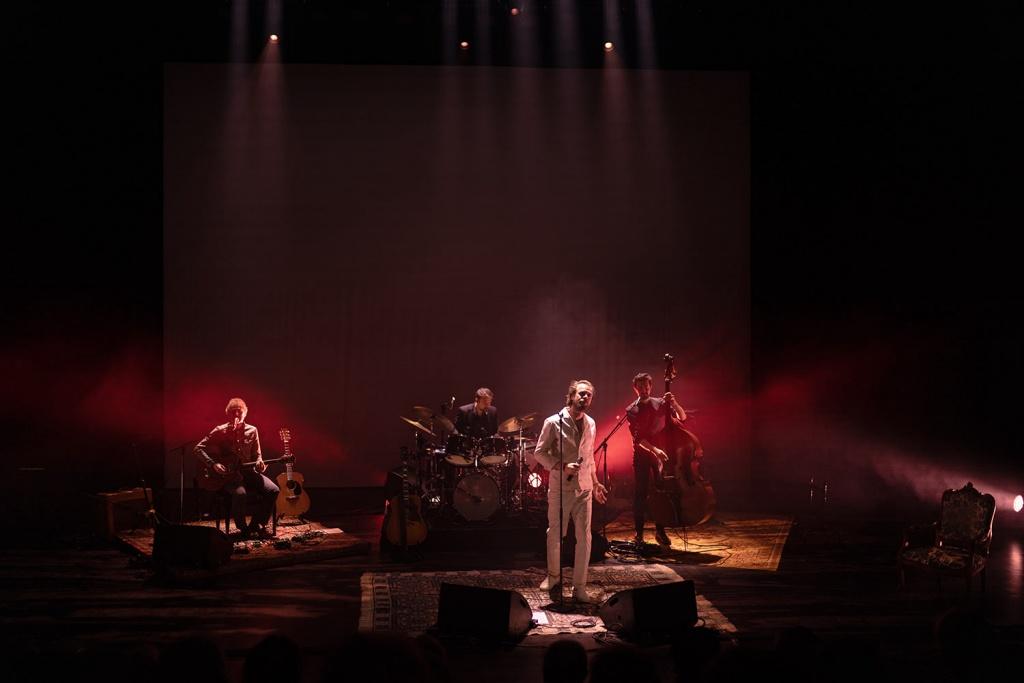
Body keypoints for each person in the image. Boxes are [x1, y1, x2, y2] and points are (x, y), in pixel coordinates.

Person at [534, 380, 608, 603]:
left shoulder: (591, 423)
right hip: (561, 488)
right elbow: (539, 453)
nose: (585, 398)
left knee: (584, 538)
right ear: (572, 396)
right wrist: (561, 465)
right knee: (556, 534)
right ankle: (554, 576)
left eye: (589, 396)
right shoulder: (553, 422)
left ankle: (579, 587)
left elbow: (589, 458)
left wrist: (596, 483)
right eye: (582, 394)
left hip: (584, 488)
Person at [194, 397, 279, 538]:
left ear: (245, 413)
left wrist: (259, 463)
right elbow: (198, 448)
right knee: (240, 494)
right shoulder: (220, 430)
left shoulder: (252, 430)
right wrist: (213, 464)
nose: (236, 415)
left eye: (239, 412)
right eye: (233, 412)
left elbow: (257, 455)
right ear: (227, 414)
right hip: (230, 475)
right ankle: (243, 528)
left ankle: (256, 525)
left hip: (248, 472)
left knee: (273, 490)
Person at [626, 372, 688, 547]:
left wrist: (674, 403)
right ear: (635, 388)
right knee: (640, 494)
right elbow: (638, 440)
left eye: (646, 386)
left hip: (662, 455)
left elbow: (682, 417)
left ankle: (660, 531)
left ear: (650, 386)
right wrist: (655, 451)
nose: (644, 389)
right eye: (640, 386)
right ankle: (639, 534)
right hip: (643, 454)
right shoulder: (631, 410)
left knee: (661, 492)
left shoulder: (660, 403)